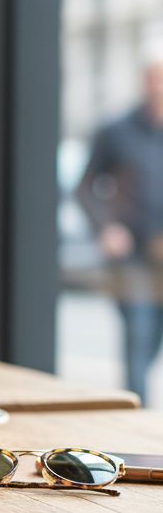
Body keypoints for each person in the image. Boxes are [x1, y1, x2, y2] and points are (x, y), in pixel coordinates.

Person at [77, 39, 163, 405]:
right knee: (138, 342)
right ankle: (136, 427)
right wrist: (107, 228)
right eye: (154, 77)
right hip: (132, 261)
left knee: (153, 341)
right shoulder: (116, 130)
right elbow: (85, 188)